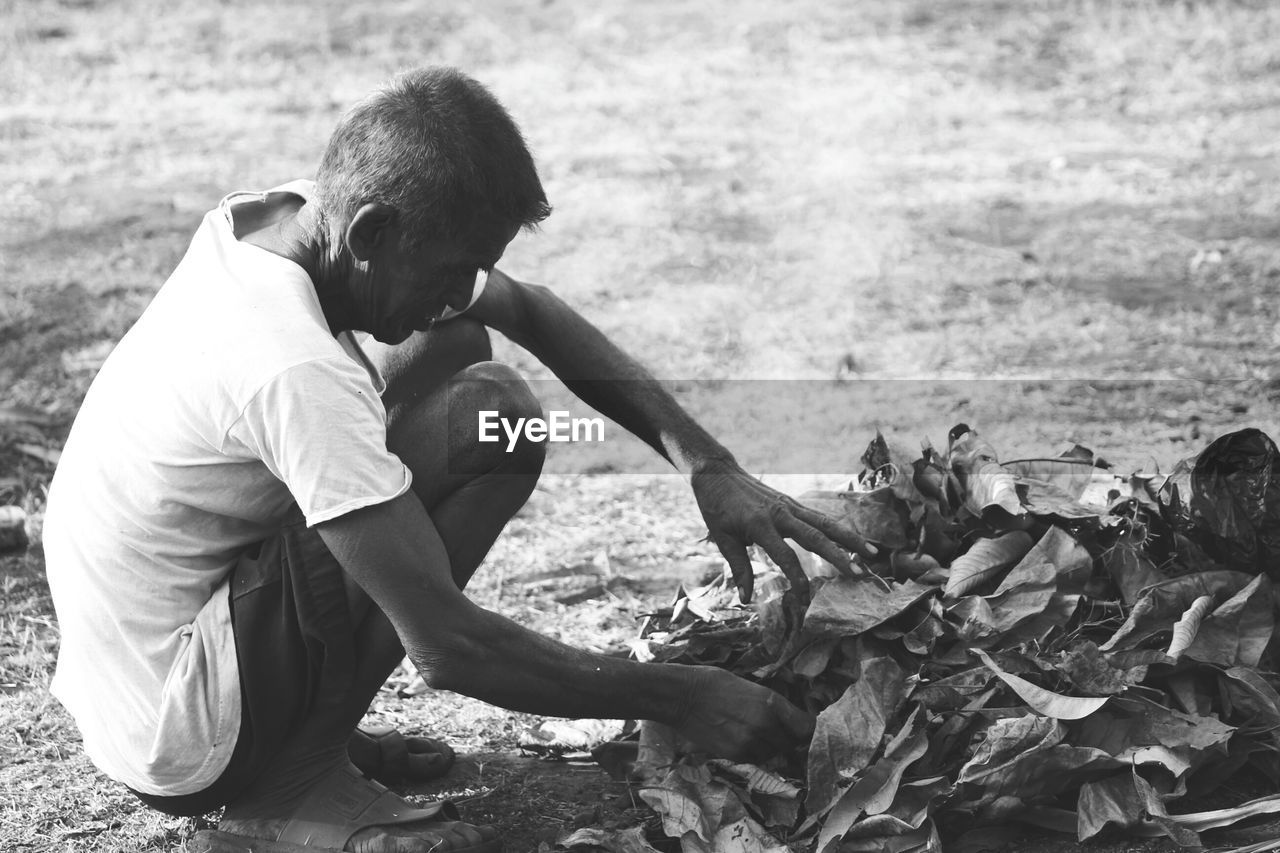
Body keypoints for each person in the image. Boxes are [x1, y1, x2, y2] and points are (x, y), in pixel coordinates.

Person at [42, 66, 871, 853]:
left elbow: (531, 311)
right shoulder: (290, 362)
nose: (463, 286)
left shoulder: (290, 221)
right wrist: (680, 695)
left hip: (148, 663)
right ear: (371, 232)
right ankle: (288, 784)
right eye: (451, 269)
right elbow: (445, 645)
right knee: (491, 420)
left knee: (463, 355)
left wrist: (705, 462)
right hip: (180, 726)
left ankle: (306, 732)